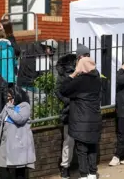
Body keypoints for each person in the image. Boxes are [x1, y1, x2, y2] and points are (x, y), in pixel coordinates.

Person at [60, 57, 102, 179]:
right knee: (92, 147)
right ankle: (93, 173)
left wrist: (73, 74)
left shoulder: (80, 81)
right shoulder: (97, 80)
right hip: (94, 118)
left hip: (80, 120)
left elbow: (63, 90)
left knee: (82, 149)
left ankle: (83, 174)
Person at [0, 87, 36, 179]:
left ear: (17, 96)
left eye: (10, 97)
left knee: (20, 170)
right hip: (8, 143)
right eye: (7, 97)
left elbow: (19, 119)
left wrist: (10, 108)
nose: (8, 99)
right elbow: (0, 117)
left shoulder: (25, 106)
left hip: (19, 144)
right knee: (6, 168)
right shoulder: (8, 106)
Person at [55, 44, 90, 179]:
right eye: (84, 56)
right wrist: (68, 101)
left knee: (81, 140)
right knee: (69, 141)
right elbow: (58, 90)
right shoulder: (64, 74)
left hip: (81, 109)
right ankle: (65, 167)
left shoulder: (85, 70)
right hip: (70, 111)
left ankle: (83, 167)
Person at [17, 39, 58, 108]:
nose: (52, 54)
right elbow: (44, 76)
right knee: (34, 109)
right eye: (52, 51)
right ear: (48, 48)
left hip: (21, 83)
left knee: (23, 108)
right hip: (32, 87)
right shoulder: (42, 57)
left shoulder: (31, 49)